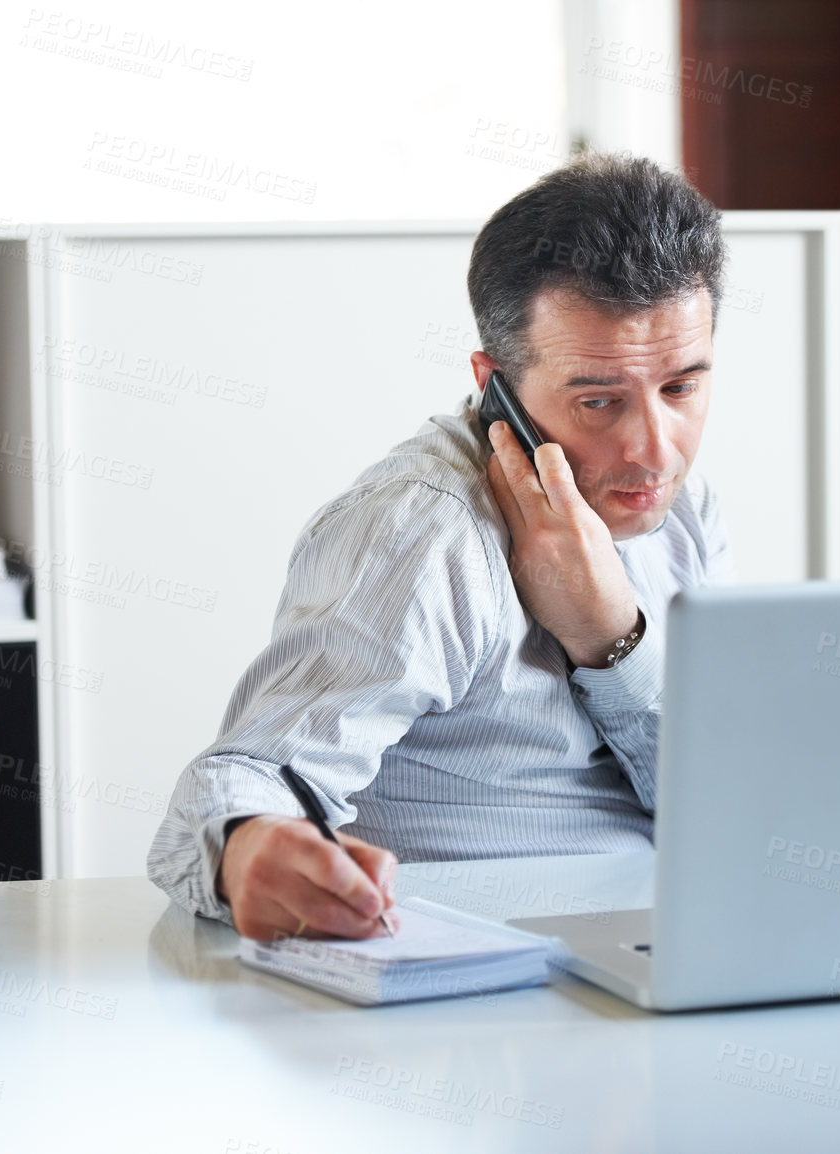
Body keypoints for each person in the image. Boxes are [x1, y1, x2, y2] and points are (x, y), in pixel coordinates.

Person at [147, 152, 734, 940]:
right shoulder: (422, 531)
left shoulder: (684, 515)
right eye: (599, 400)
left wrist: (611, 641)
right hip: (484, 986)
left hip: (670, 944)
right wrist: (247, 847)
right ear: (496, 383)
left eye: (681, 388)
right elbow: (246, 776)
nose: (654, 449)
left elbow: (723, 810)